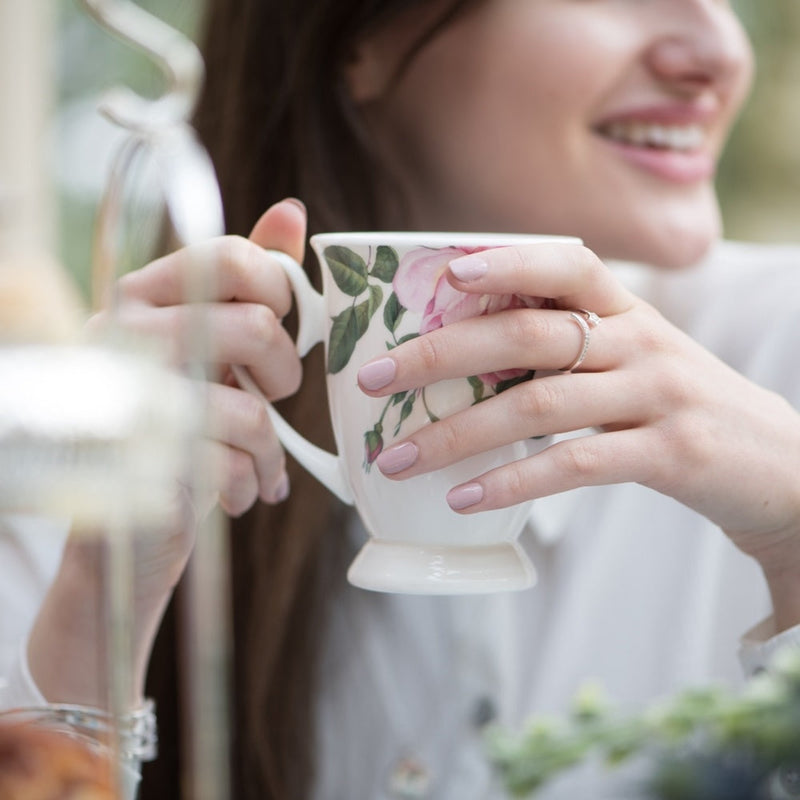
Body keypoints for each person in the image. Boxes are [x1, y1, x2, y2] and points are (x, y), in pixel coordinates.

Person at [2, 0, 800, 798]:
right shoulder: (107, 440)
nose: (720, 52)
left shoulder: (778, 365)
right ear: (360, 38)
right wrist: (100, 602)